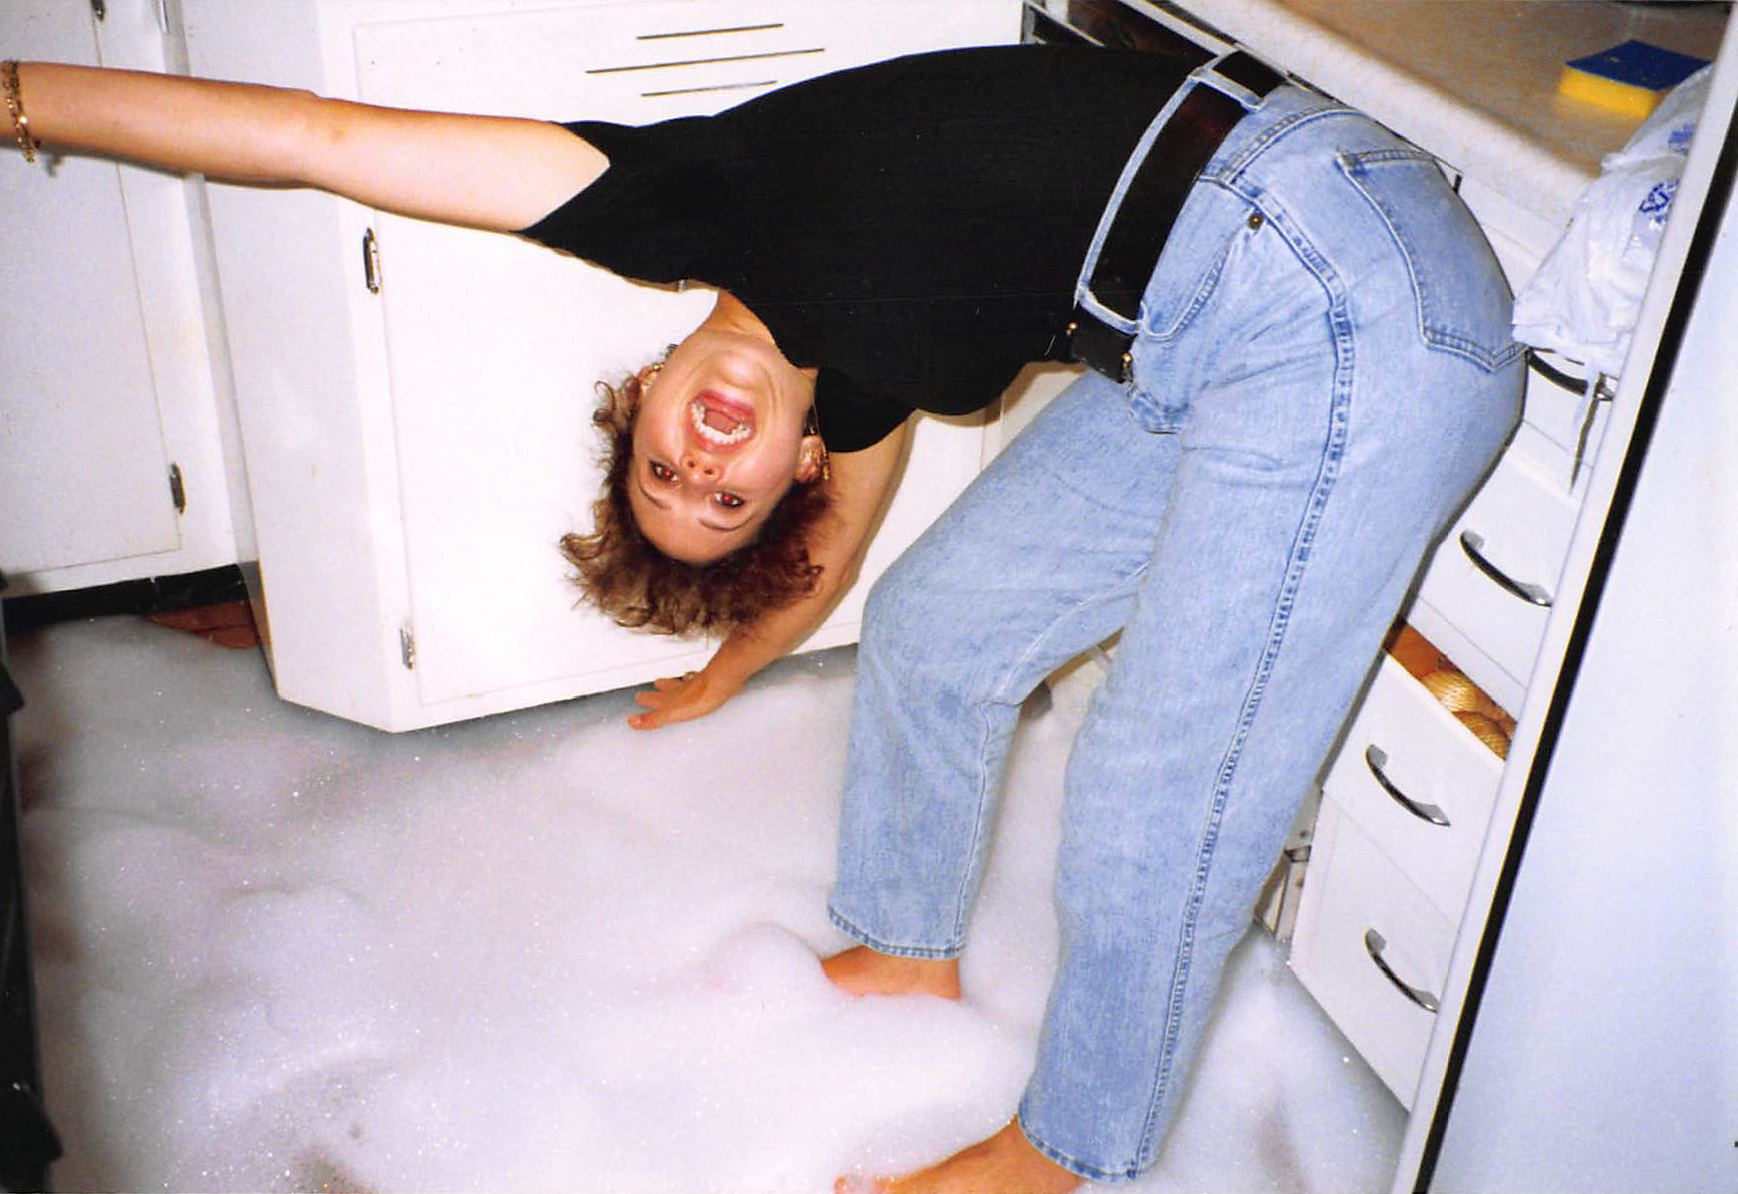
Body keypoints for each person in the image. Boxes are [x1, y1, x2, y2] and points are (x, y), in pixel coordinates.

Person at [5, 34, 1523, 1192]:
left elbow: (324, 139)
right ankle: (905, 944)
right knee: (940, 624)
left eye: (667, 462)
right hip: (1233, 318)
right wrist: (732, 664)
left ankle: (1062, 1156)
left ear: (651, 377)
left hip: (1335, 286)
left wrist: (19, 96)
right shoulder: (848, 398)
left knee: (1153, 782)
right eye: (716, 494)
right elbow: (839, 576)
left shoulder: (680, 198)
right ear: (798, 463)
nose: (703, 458)